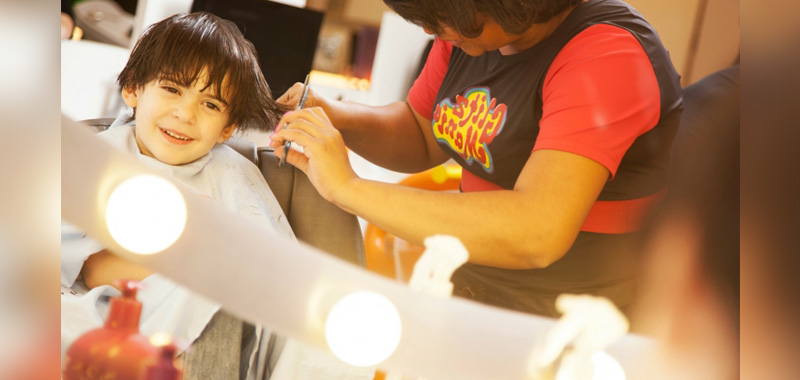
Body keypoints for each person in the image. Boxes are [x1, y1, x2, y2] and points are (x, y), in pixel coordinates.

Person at [272, 0, 682, 318]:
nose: (433, 30)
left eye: (442, 17)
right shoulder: (468, 34)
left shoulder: (606, 55)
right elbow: (421, 130)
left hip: (563, 317)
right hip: (467, 287)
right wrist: (333, 115)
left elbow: (536, 231)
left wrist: (349, 188)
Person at [61, 12, 373, 380]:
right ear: (133, 88)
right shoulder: (91, 162)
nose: (185, 114)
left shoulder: (233, 177)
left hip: (198, 353)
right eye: (172, 89)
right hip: (90, 329)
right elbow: (66, 269)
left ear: (228, 127)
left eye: (210, 104)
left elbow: (275, 279)